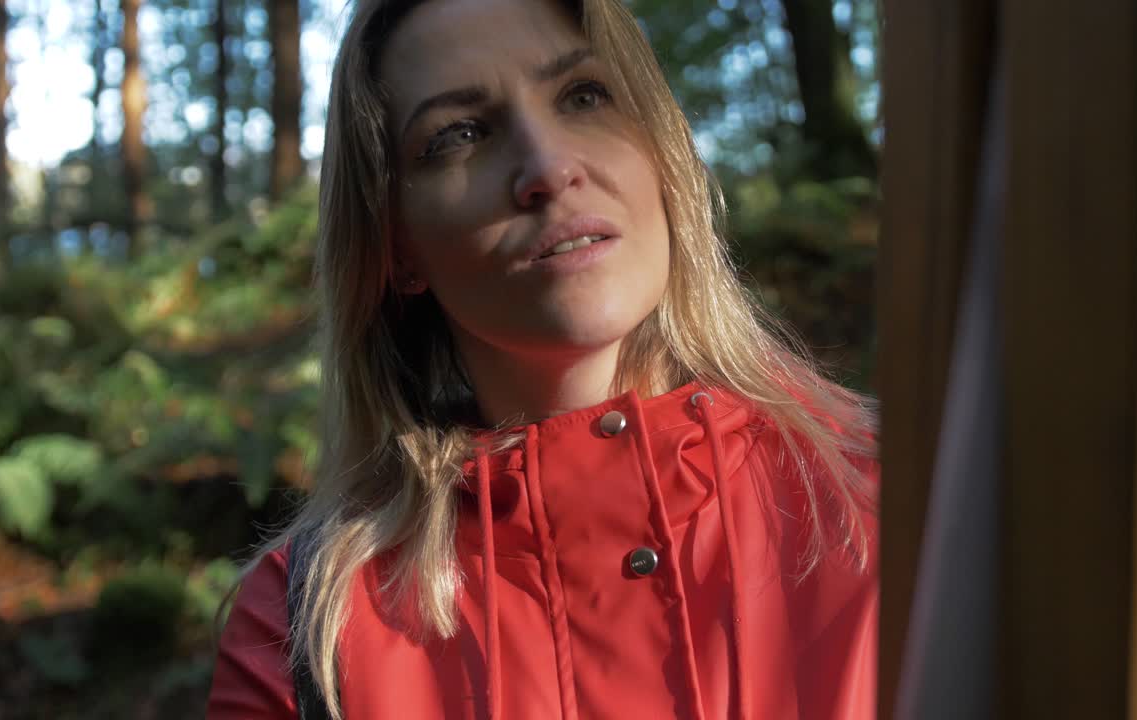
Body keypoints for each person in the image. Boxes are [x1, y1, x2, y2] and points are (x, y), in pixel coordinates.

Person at [205, 0, 879, 717]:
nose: (549, 167)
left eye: (584, 95)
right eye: (458, 134)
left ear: (660, 150)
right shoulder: (301, 634)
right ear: (395, 247)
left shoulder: (907, 498)